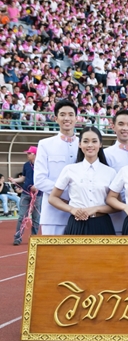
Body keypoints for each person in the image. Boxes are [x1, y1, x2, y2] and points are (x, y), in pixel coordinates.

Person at [48, 127, 117, 235]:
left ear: (100, 144)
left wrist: (96, 209)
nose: (90, 145)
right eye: (85, 141)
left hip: (102, 224)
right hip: (77, 224)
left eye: (94, 141)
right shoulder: (70, 169)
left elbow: (116, 205)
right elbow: (53, 198)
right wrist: (71, 210)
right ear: (80, 144)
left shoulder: (110, 172)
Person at [34, 100, 80, 235]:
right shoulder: (45, 144)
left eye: (71, 114)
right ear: (56, 118)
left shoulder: (84, 145)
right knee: (53, 255)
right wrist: (64, 194)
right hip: (53, 215)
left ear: (76, 118)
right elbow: (39, 180)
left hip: (80, 212)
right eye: (63, 114)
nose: (67, 118)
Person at [104, 109, 128, 235]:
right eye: (121, 124)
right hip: (114, 214)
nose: (125, 128)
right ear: (113, 127)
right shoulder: (106, 154)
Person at [10, 146, 42, 245]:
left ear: (34, 154)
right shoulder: (26, 165)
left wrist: (37, 186)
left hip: (38, 194)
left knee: (36, 218)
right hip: (25, 193)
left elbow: (44, 179)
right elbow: (23, 178)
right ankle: (17, 238)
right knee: (21, 217)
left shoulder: (42, 165)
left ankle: (34, 238)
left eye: (29, 153)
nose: (27, 155)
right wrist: (14, 180)